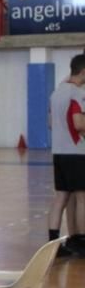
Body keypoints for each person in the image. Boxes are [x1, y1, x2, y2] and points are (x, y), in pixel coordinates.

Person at [47, 54, 85, 257]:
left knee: (60, 197)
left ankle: (53, 243)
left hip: (59, 152)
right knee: (82, 197)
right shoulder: (77, 93)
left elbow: (51, 123)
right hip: (77, 152)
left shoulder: (56, 92)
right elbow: (79, 124)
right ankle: (81, 241)